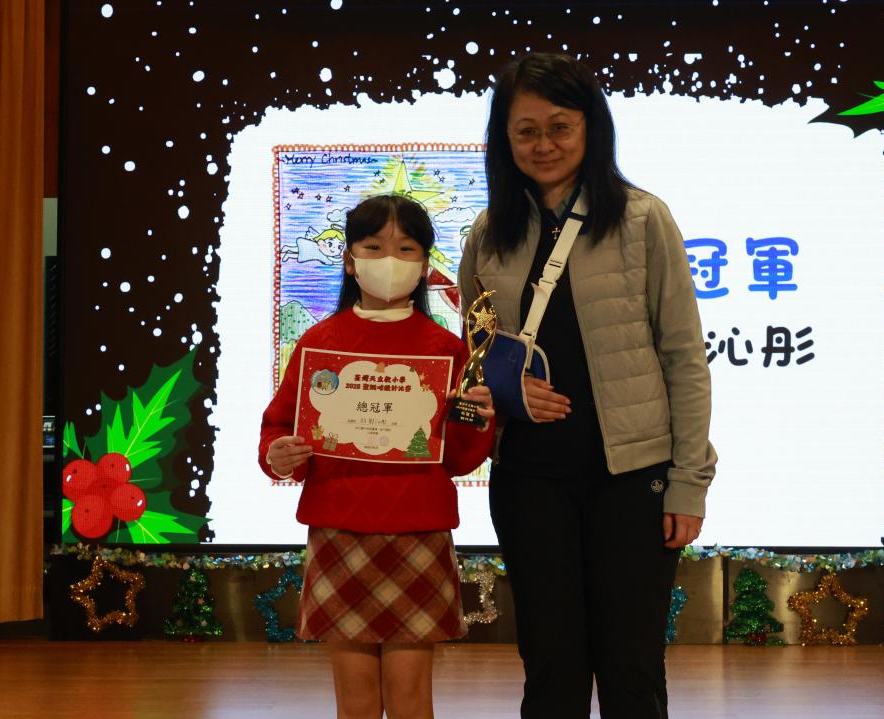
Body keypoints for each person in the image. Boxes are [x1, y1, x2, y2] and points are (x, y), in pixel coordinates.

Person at [457, 52, 718, 718]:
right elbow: (475, 362)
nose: (543, 144)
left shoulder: (642, 219)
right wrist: (507, 396)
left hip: (632, 479)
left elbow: (685, 358)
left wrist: (688, 482)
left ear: (590, 128)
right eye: (526, 131)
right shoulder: (488, 233)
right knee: (551, 668)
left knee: (631, 668)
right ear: (504, 138)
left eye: (560, 127)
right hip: (529, 478)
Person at [259, 194, 496, 719]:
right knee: (356, 701)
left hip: (417, 528)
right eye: (373, 247)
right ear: (349, 260)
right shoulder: (320, 342)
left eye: (406, 248)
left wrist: (476, 417)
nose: (390, 260)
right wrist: (279, 453)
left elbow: (458, 459)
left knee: (411, 700)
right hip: (339, 527)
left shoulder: (446, 348)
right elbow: (280, 427)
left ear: (425, 264)